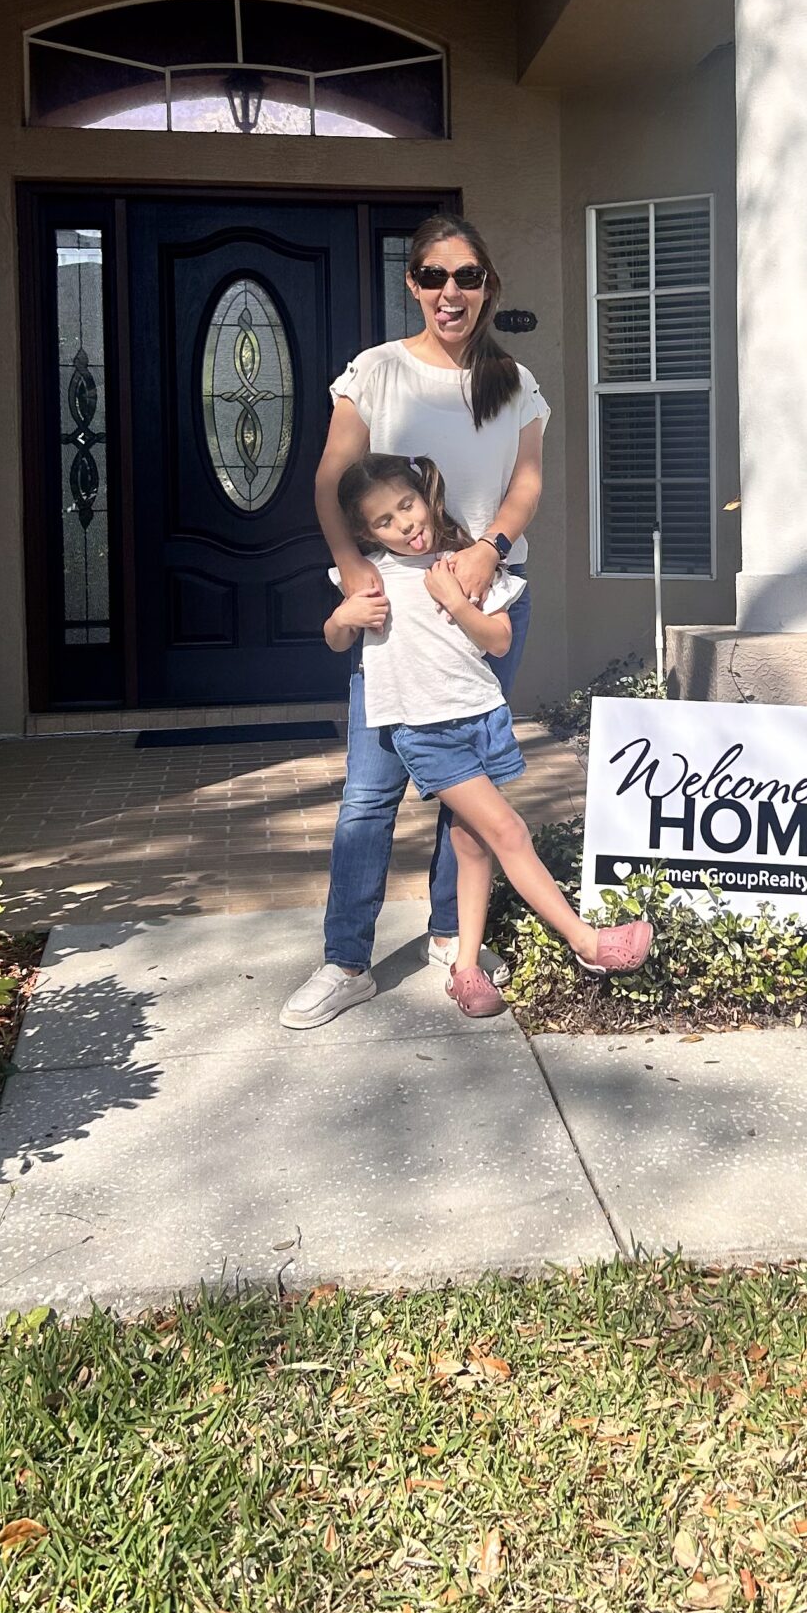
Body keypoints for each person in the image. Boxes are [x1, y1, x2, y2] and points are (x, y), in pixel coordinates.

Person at [283, 214, 547, 1031]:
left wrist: (489, 551)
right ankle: (347, 960)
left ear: (486, 285)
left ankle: (447, 936)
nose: (450, 293)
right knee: (370, 792)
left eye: (466, 276)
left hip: (486, 595)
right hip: (396, 615)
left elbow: (527, 483)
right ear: (414, 284)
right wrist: (355, 569)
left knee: (466, 785)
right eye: (434, 277)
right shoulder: (376, 373)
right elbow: (332, 480)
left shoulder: (514, 381)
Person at [309, 452, 652, 1018]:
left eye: (407, 505)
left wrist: (452, 599)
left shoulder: (464, 567)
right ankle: (586, 942)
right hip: (425, 731)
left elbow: (497, 641)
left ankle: (464, 965)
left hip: (481, 718)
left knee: (470, 843)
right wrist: (343, 618)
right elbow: (336, 639)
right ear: (365, 533)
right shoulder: (374, 579)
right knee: (509, 831)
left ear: (425, 496)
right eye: (384, 522)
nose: (405, 524)